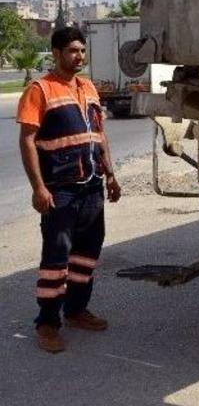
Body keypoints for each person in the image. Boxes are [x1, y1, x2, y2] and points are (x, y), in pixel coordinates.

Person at [17, 26, 122, 353]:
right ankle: (47, 324)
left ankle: (76, 310)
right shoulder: (40, 89)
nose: (80, 56)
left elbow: (99, 134)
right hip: (59, 190)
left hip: (91, 187)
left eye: (82, 50)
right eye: (73, 51)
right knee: (56, 258)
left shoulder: (89, 87)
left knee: (87, 254)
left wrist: (110, 174)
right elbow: (27, 141)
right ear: (57, 53)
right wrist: (38, 188)